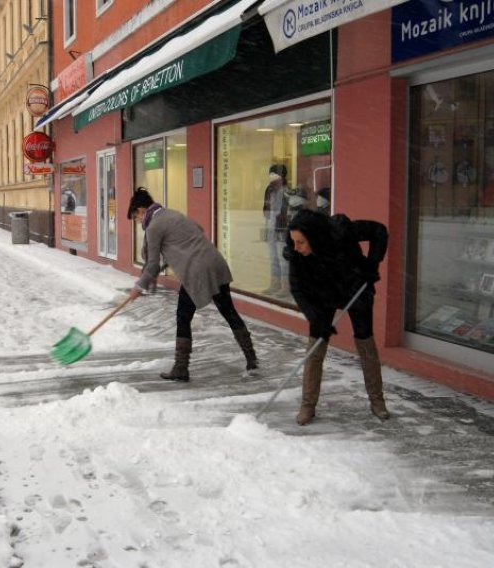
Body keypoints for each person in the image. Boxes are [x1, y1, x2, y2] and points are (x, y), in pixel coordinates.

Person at [127, 188, 258, 381]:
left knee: (183, 316)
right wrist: (176, 252)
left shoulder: (153, 226)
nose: (138, 221)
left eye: (136, 216)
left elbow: (152, 264)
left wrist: (139, 286)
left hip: (196, 271)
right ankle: (251, 358)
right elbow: (198, 229)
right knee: (228, 311)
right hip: (214, 262)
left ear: (141, 209)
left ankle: (181, 368)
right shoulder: (172, 213)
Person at [286, 208, 390, 425]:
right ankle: (308, 405)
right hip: (322, 294)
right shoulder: (295, 253)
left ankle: (377, 402)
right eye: (294, 241)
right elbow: (297, 288)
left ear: (314, 236)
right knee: (315, 346)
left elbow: (379, 231)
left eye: (301, 242)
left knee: (365, 341)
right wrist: (316, 318)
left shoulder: (340, 231)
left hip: (355, 287)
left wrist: (372, 264)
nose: (296, 247)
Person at [262, 164, 290, 294]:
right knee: (273, 256)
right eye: (270, 173)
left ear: (281, 176)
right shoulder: (269, 189)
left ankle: (286, 286)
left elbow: (287, 212)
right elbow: (266, 209)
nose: (271, 176)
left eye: (274, 173)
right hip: (271, 224)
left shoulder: (287, 190)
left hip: (282, 227)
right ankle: (275, 283)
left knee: (282, 257)